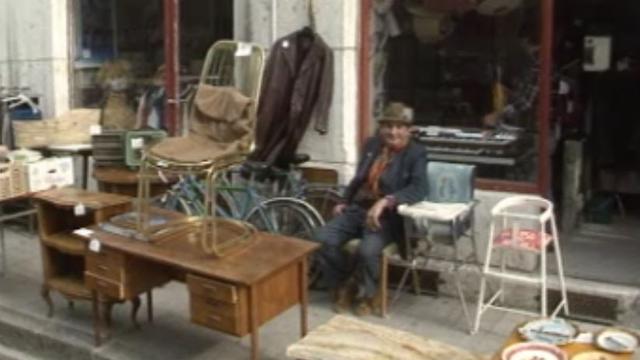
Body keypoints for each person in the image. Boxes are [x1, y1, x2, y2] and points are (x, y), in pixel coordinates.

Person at [314, 102, 427, 316]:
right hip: (358, 209)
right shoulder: (372, 145)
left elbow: (419, 188)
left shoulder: (416, 153)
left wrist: (386, 201)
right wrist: (344, 200)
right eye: (388, 126)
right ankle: (345, 283)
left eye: (399, 127)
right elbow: (359, 177)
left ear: (408, 129)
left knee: (367, 251)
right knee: (322, 238)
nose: (393, 132)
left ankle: (369, 293)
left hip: (386, 218)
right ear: (381, 127)